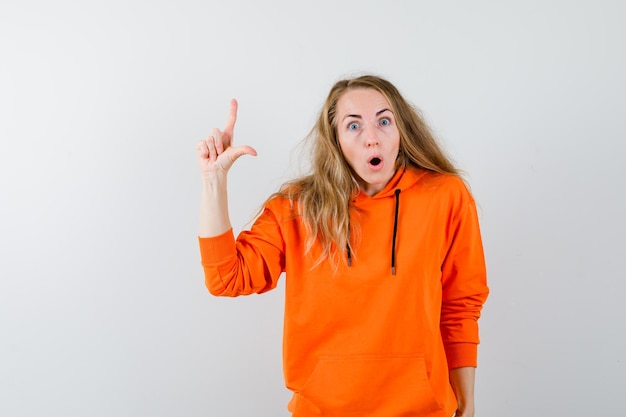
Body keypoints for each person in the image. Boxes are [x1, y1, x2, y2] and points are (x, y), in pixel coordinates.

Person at [196, 75, 489, 417]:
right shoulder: (297, 207)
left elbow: (460, 307)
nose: (371, 138)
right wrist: (213, 181)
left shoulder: (446, 197)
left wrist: (467, 404)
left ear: (402, 130)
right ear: (334, 139)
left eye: (384, 121)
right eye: (353, 126)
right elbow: (226, 278)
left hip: (424, 410)